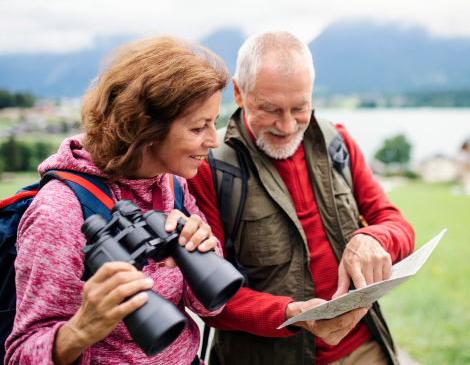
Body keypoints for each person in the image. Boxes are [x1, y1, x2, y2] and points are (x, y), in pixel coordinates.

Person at [188, 31, 415, 365]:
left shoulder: (337, 141)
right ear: (238, 92)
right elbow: (207, 297)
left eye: (300, 107)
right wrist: (289, 313)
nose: (287, 125)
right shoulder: (210, 167)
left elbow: (398, 225)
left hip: (365, 350)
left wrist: (373, 237)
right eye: (269, 109)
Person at [5, 36, 230, 365]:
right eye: (198, 127)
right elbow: (20, 355)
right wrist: (79, 331)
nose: (212, 140)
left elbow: (210, 306)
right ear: (145, 128)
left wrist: (206, 253)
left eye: (214, 123)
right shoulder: (59, 213)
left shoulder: (174, 186)